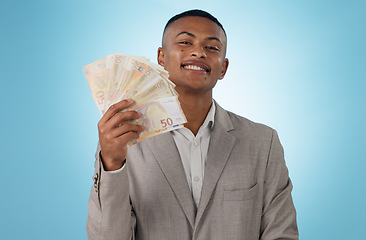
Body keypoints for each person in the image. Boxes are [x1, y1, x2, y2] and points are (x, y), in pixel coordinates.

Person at [87, 9, 298, 240]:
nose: (198, 52)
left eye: (212, 47)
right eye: (186, 42)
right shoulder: (123, 141)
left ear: (223, 68)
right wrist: (112, 164)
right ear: (161, 57)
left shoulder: (263, 143)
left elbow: (281, 234)